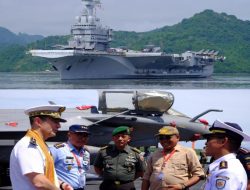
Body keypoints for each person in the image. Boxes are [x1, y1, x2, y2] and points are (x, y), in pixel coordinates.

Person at [9, 105, 73, 190]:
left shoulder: (40, 145)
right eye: (55, 121)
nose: (59, 126)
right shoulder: (28, 146)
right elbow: (39, 182)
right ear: (38, 121)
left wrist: (61, 184)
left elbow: (43, 176)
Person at [141, 126, 204, 190]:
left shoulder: (187, 152)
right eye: (161, 138)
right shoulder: (154, 154)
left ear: (178, 137)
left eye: (168, 137)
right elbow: (146, 177)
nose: (164, 140)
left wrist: (182, 186)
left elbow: (198, 174)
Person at [202, 119, 250, 190]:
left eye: (209, 139)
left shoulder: (226, 172)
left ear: (223, 141)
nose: (206, 143)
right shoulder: (224, 167)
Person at [94, 126, 145, 190]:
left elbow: (141, 171)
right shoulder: (104, 151)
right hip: (108, 186)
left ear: (129, 138)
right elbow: (97, 167)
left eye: (123, 136)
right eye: (117, 136)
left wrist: (129, 179)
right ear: (113, 138)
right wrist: (106, 176)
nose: (120, 139)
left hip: (127, 186)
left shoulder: (136, 153)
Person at [50, 124, 91, 190]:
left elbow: (84, 171)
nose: (83, 138)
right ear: (69, 135)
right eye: (79, 135)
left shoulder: (86, 152)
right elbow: (45, 170)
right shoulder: (58, 150)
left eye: (85, 136)